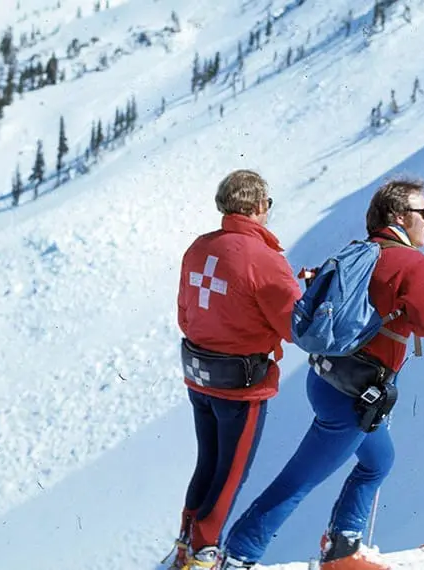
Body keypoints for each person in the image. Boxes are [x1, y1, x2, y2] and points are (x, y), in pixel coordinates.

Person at [220, 177, 424, 570]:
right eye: (423, 213)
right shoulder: (416, 265)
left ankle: (343, 548)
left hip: (330, 380)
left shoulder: (356, 252)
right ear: (399, 216)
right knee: (300, 479)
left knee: (379, 460)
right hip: (357, 396)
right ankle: (241, 554)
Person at [167, 170, 302, 570]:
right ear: (259, 207)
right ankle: (204, 552)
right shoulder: (266, 260)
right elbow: (293, 326)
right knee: (231, 474)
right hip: (241, 385)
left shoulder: (197, 249)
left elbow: (184, 314)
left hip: (200, 375)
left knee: (207, 462)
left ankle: (185, 543)